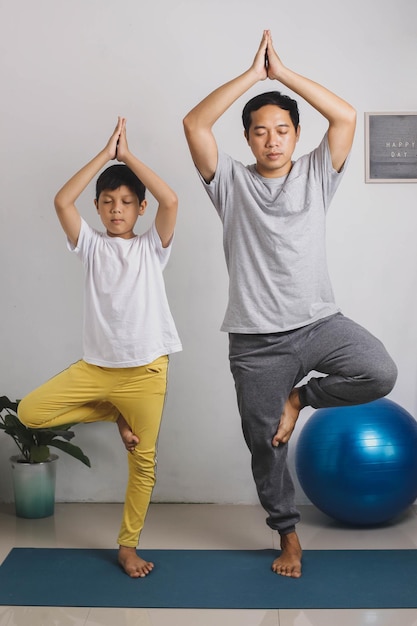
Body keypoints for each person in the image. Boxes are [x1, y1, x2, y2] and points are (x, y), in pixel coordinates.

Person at [183, 30, 397, 578]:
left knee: (378, 371)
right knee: (265, 445)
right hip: (256, 341)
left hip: (320, 323)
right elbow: (194, 125)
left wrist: (284, 75)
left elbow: (346, 117)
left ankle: (300, 398)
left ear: (297, 135)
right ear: (249, 141)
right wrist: (253, 77)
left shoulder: (316, 173)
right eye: (261, 132)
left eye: (282, 130)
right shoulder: (228, 182)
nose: (272, 140)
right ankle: (289, 538)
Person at [18, 117, 182, 578]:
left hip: (148, 370)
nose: (116, 209)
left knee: (142, 465)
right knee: (30, 413)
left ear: (140, 208)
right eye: (108, 202)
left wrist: (127, 156)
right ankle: (115, 412)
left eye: (127, 202)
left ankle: (128, 546)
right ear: (97, 206)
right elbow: (61, 200)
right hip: (98, 370)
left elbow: (171, 199)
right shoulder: (89, 245)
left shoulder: (153, 247)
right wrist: (104, 154)